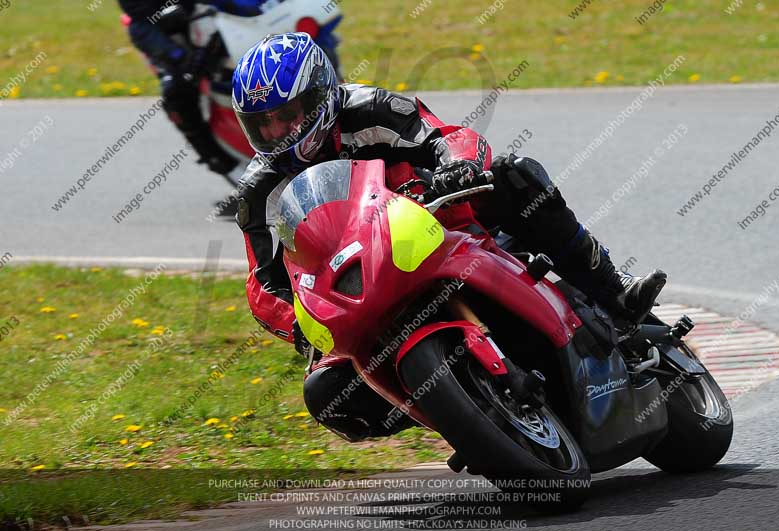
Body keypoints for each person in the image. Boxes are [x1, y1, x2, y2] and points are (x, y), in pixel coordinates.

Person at [232, 33, 667, 442]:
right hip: (353, 285)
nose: (276, 133)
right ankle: (460, 415)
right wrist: (295, 323)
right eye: (262, 124)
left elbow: (448, 137)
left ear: (319, 97)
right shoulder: (259, 191)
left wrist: (455, 165)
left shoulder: (370, 109)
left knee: (516, 177)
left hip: (437, 223)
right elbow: (261, 283)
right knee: (327, 391)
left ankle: (613, 293)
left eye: (286, 116)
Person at [118, 0, 264, 177]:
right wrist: (182, 59)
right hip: (177, 36)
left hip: (233, 18)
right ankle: (222, 163)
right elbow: (140, 22)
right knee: (175, 93)